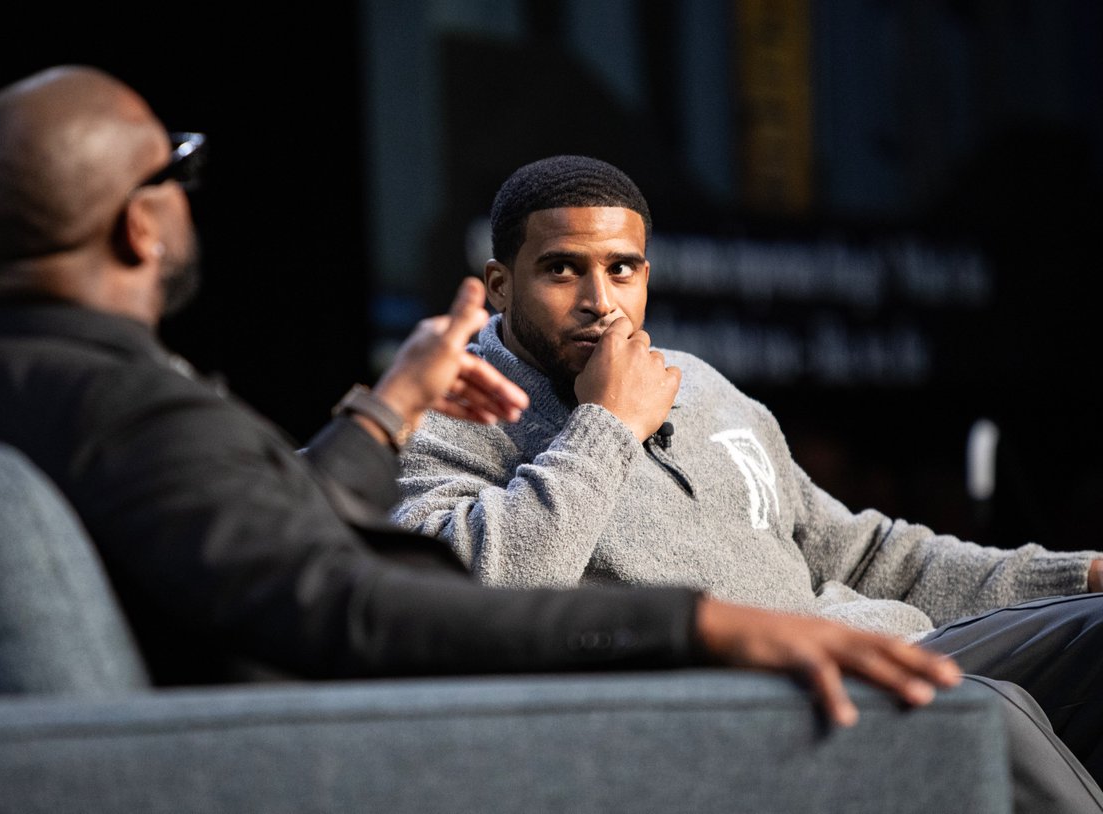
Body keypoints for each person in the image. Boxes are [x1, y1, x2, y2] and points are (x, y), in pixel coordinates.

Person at [0, 65, 966, 737]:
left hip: (338, 730)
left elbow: (260, 550)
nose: (600, 297)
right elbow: (350, 609)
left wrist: (381, 412)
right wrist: (699, 627)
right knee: (985, 715)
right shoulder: (138, 413)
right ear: (139, 231)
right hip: (388, 749)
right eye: (176, 166)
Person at [392, 154, 1103, 809]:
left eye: (622, 269)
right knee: (985, 712)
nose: (598, 300)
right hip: (732, 707)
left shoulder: (700, 385)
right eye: (561, 270)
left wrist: (1080, 575)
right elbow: (475, 601)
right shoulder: (443, 415)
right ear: (499, 284)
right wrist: (607, 426)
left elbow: (865, 555)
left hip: (870, 645)